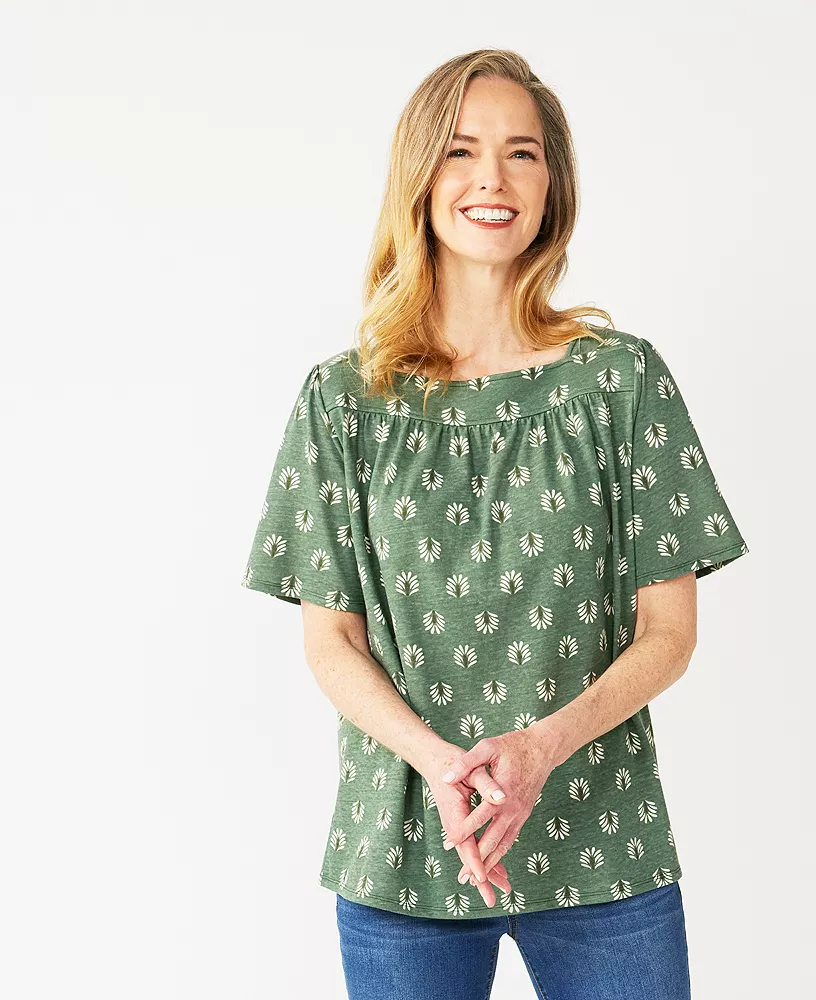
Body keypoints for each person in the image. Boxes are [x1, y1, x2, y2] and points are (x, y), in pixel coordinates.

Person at [241, 48, 748, 1000]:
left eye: (522, 153)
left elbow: (670, 634)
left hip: (602, 842)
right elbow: (331, 643)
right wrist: (442, 765)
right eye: (461, 150)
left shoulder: (621, 381)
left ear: (552, 186)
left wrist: (537, 751)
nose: (493, 179)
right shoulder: (345, 401)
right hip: (402, 848)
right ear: (419, 176)